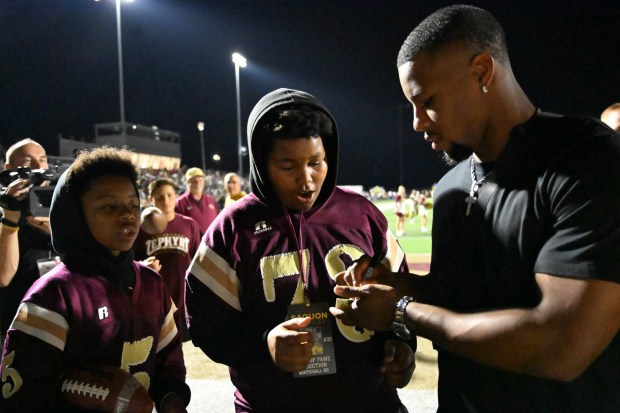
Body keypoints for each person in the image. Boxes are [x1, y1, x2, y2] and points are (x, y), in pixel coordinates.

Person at [331, 5, 620, 412]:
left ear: (482, 72)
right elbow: (466, 296)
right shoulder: (450, 186)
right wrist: (400, 287)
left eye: (427, 100)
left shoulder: (586, 159)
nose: (416, 122)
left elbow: (562, 345)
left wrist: (402, 311)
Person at [185, 88, 415, 412]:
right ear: (262, 163)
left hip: (369, 402)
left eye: (315, 162)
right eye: (288, 165)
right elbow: (207, 324)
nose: (306, 179)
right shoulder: (233, 229)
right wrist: (264, 343)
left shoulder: (363, 216)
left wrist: (402, 343)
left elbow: (400, 294)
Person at [0, 147, 190, 412]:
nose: (127, 214)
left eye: (133, 204)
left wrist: (171, 397)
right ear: (75, 216)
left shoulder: (152, 283)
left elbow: (168, 359)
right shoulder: (54, 294)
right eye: (109, 206)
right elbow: (21, 394)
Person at [0, 139, 54, 346]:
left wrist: (58, 234)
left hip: (58, 322)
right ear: (9, 169)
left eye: (42, 160)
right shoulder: (3, 208)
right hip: (17, 327)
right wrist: (10, 220)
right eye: (27, 162)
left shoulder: (62, 206)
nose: (38, 168)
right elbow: (4, 277)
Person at [134, 178, 201, 341]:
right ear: (150, 199)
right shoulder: (140, 228)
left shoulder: (189, 225)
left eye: (170, 195)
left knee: (187, 343)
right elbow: (131, 262)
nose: (166, 201)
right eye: (160, 197)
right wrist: (142, 265)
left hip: (184, 294)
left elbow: (199, 261)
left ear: (176, 196)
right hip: (155, 296)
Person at [175, 167, 219, 234]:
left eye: (200, 180)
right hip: (191, 243)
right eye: (194, 181)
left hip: (210, 242)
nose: (198, 183)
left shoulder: (211, 201)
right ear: (187, 182)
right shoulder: (179, 203)